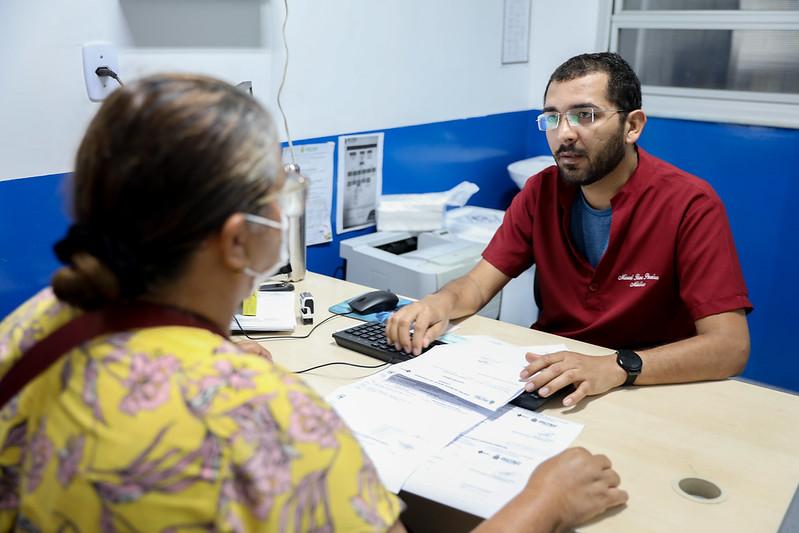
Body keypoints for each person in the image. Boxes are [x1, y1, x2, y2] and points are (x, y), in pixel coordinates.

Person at [0, 73, 626, 531]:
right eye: (280, 199)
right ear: (239, 238)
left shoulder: (33, 326)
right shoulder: (264, 419)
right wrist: (545, 503)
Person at [387, 52, 752, 408]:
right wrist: (440, 303)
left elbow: (729, 347)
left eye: (585, 115)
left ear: (633, 126)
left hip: (648, 388)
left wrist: (615, 366)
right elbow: (478, 284)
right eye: (552, 118)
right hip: (554, 382)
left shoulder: (689, 203)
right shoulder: (540, 192)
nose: (564, 134)